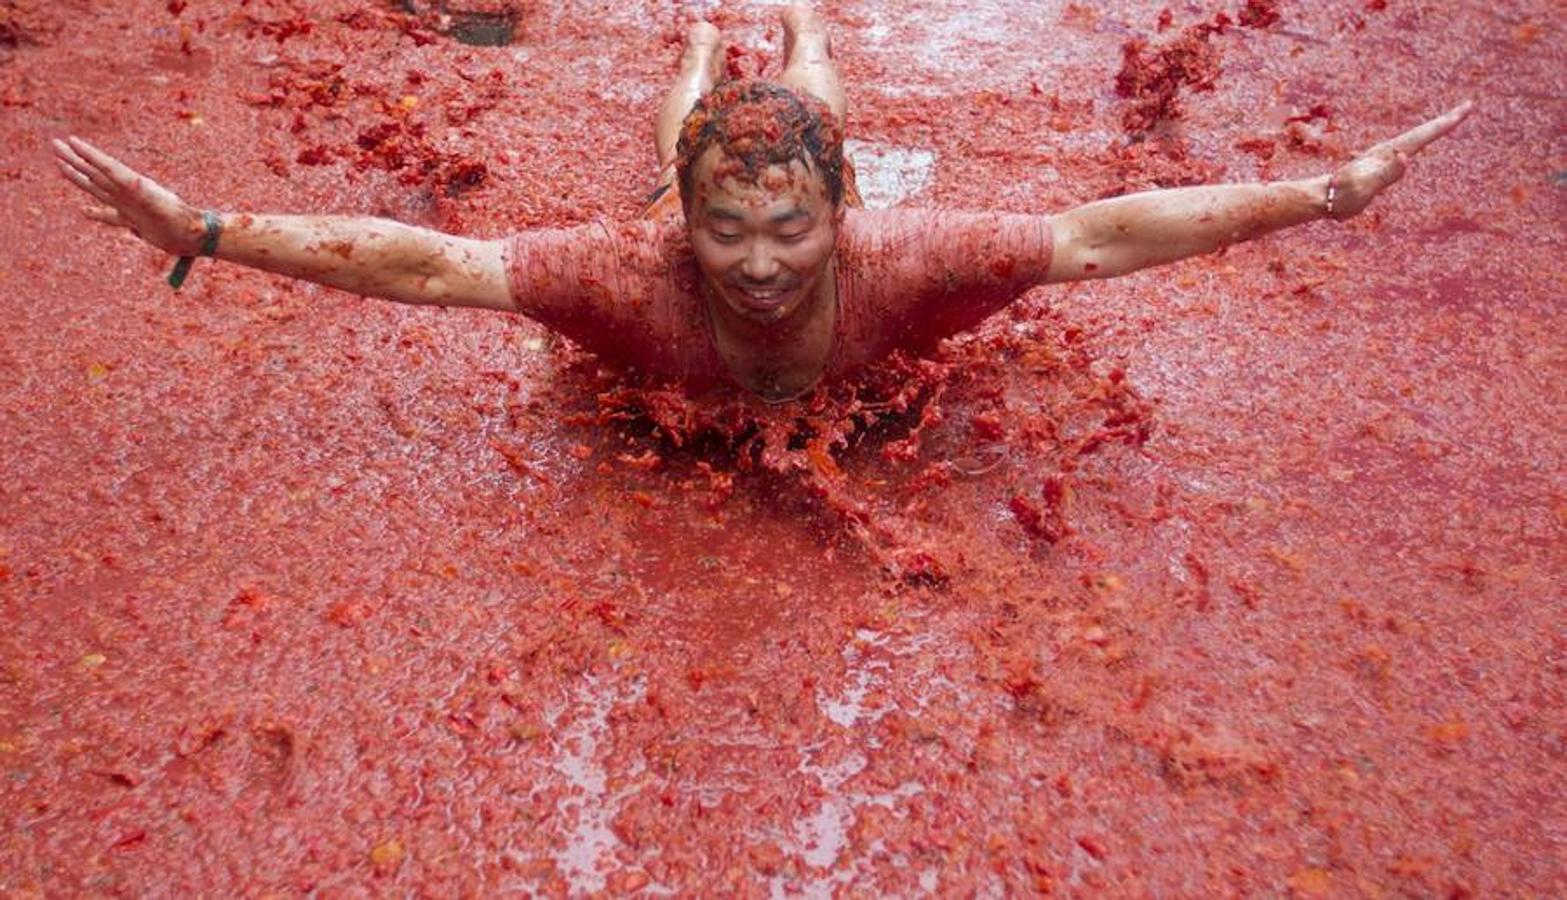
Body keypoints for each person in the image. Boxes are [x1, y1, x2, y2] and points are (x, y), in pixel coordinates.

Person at [51, 6, 1470, 403]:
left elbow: (1107, 232)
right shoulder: (632, 266)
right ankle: (685, 58)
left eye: (792, 226)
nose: (759, 263)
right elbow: (428, 267)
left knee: (809, 91)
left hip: (820, 141)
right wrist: (209, 236)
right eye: (724, 231)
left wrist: (1319, 195)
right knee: (680, 141)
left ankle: (794, 21)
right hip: (677, 183)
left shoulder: (907, 252)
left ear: (845, 217)